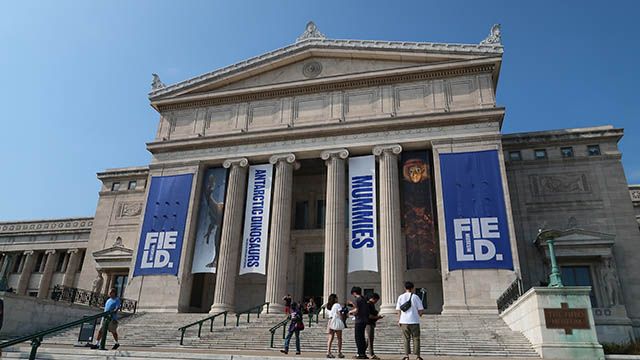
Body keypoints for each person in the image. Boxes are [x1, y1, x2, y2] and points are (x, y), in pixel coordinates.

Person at [396, 281, 424, 360]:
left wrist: (399, 320)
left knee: (406, 338)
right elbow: (421, 310)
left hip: (404, 321)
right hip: (414, 321)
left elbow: (398, 310)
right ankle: (417, 356)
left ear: (405, 288)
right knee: (416, 338)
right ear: (413, 288)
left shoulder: (401, 297)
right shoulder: (415, 297)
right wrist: (418, 315)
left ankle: (406, 356)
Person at [348, 286, 370, 359]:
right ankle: (363, 353)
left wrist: (349, 312)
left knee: (358, 337)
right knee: (362, 337)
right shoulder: (364, 299)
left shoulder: (357, 299)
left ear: (354, 293)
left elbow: (356, 310)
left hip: (359, 320)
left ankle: (360, 354)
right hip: (364, 320)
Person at [325, 294, 345, 358]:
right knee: (339, 338)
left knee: (330, 338)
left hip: (330, 321)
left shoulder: (328, 306)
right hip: (336, 321)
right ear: (335, 299)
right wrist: (343, 318)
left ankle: (328, 352)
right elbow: (340, 313)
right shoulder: (337, 305)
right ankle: (339, 352)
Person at [366, 293, 383, 359]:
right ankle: (371, 354)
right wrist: (377, 317)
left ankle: (362, 353)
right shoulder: (369, 304)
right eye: (376, 300)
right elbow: (369, 315)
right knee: (370, 338)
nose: (376, 302)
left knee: (368, 339)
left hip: (371, 323)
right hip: (368, 323)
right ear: (373, 298)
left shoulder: (371, 304)